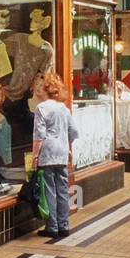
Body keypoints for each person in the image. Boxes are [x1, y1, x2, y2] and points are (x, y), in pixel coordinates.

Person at [32, 72, 77, 239]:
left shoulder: (42, 108)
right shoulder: (64, 108)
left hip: (48, 152)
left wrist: (35, 157)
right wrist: (67, 144)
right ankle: (64, 225)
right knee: (62, 189)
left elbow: (39, 135)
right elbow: (74, 131)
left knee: (49, 189)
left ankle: (52, 226)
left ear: (45, 90)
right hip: (62, 152)